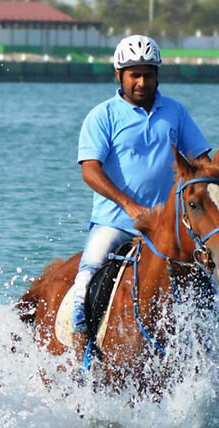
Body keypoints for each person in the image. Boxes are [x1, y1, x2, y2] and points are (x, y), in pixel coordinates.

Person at [70, 34, 211, 355]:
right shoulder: (102, 116)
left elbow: (201, 160)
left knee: (204, 283)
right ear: (119, 75)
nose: (142, 82)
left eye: (148, 74)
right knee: (87, 277)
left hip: (167, 229)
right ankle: (83, 347)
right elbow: (90, 170)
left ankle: (216, 359)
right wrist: (130, 205)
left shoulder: (175, 113)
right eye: (135, 74)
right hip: (115, 222)